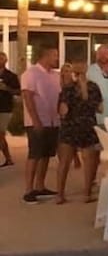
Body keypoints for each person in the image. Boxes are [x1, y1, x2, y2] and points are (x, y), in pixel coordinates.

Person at [57, 59, 102, 203]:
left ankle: (60, 195)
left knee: (64, 163)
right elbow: (100, 108)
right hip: (86, 126)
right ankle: (86, 194)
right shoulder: (93, 87)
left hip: (70, 127)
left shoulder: (68, 88)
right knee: (89, 162)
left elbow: (63, 111)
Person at [21, 44, 60, 203]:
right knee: (35, 154)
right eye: (54, 55)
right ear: (46, 55)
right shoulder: (30, 74)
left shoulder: (55, 75)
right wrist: (35, 120)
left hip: (53, 121)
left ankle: (40, 186)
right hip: (37, 121)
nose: (57, 58)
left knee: (46, 155)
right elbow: (28, 97)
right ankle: (28, 190)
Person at [0, 50, 20, 167]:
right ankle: (8, 159)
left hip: (5, 108)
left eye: (1, 59)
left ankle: (8, 158)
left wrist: (6, 88)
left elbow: (18, 91)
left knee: (0, 134)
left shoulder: (11, 76)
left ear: (6, 61)